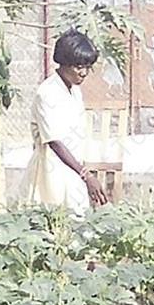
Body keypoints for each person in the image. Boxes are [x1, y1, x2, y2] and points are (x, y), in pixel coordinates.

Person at [19, 29, 108, 214]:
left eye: (87, 67)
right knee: (50, 226)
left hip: (73, 171)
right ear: (63, 63)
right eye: (78, 67)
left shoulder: (74, 90)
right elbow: (55, 142)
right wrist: (86, 176)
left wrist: (83, 174)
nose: (83, 73)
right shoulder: (47, 93)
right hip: (50, 173)